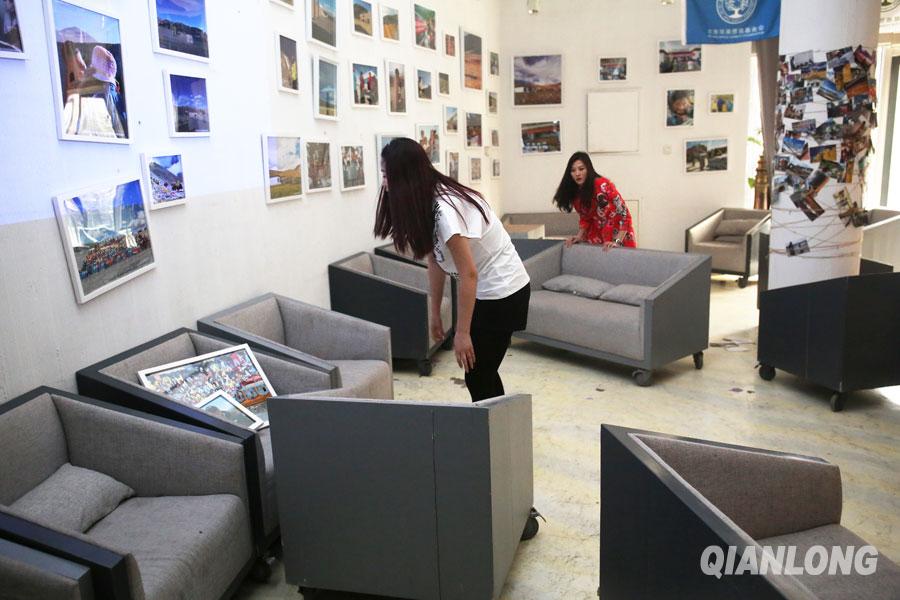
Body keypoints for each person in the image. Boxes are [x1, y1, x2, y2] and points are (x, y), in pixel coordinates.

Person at [374, 138, 530, 402]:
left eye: (387, 175)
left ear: (405, 176)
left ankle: (494, 424)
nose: (385, 183)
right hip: (487, 291)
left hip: (504, 292)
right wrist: (435, 312)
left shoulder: (445, 210)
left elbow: (468, 274)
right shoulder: (425, 202)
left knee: (478, 374)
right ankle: (498, 423)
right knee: (482, 372)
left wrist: (462, 333)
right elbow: (435, 259)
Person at [553, 152, 636, 250]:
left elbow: (625, 215)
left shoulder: (602, 184)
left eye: (581, 169)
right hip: (597, 238)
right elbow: (585, 218)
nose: (577, 174)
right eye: (573, 170)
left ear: (588, 169)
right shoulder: (576, 193)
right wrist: (579, 236)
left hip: (619, 236)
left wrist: (617, 241)